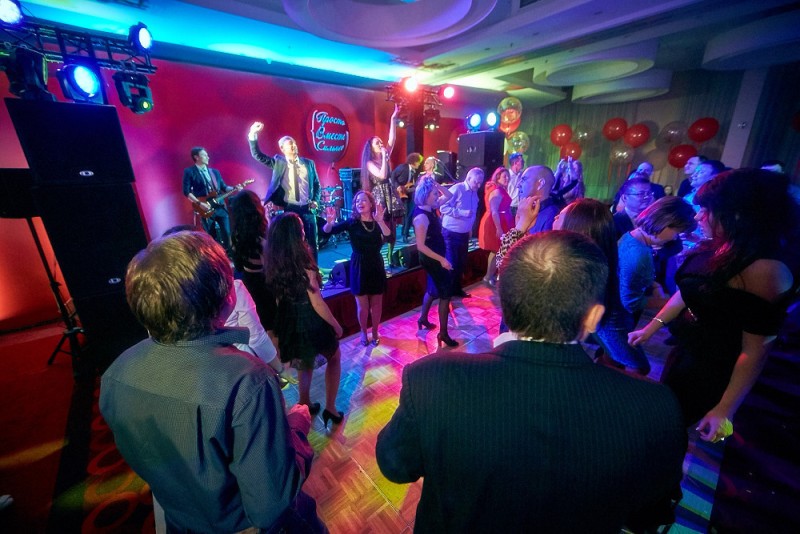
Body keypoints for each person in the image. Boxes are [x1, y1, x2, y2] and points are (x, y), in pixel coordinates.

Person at [376, 231, 686, 533]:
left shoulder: (431, 379)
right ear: (593, 317)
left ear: (505, 300)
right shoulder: (655, 406)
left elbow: (395, 466)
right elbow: (647, 515)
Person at [99, 231, 323, 532]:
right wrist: (297, 427)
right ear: (225, 298)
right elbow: (270, 506)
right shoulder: (248, 381)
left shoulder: (115, 373)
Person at [630, 169, 799, 442]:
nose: (698, 216)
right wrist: (652, 327)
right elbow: (687, 293)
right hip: (688, 350)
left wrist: (725, 409)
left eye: (707, 210)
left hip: (713, 368)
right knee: (665, 417)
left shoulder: (766, 270)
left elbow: (755, 351)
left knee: (670, 427)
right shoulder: (725, 244)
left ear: (738, 215)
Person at [265, 212, 345, 428]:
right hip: (310, 320)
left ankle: (304, 403)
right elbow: (317, 303)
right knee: (335, 357)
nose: (304, 232)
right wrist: (336, 326)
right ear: (294, 236)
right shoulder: (304, 265)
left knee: (304, 363)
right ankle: (331, 408)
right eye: (300, 229)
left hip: (290, 320)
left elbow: (279, 300)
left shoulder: (274, 264)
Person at [553, 200, 652, 374]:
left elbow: (639, 366)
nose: (555, 217)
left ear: (574, 226)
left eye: (560, 216)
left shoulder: (596, 284)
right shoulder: (575, 261)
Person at [322, 191, 391, 346]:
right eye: (357, 201)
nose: (360, 203)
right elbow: (328, 231)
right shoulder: (352, 222)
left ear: (371, 204)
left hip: (376, 264)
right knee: (362, 306)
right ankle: (363, 332)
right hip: (359, 266)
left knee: (376, 304)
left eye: (363, 200)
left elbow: (388, 235)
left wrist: (380, 221)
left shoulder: (377, 220)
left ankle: (375, 332)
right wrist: (329, 222)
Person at [247, 121, 321, 261]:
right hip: (290, 208)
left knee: (312, 243)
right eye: (290, 145)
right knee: (293, 244)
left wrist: (315, 201)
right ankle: (297, 270)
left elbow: (317, 184)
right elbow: (257, 155)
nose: (293, 146)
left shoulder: (308, 163)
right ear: (282, 148)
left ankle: (314, 269)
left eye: (294, 144)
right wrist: (253, 134)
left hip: (308, 209)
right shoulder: (278, 163)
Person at [618, 196, 697, 325]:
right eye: (677, 232)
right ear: (664, 223)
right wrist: (674, 304)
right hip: (620, 320)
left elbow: (631, 278)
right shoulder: (639, 255)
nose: (675, 238)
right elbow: (630, 303)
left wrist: (655, 285)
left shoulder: (632, 236)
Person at [412, 176, 457, 347]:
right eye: (434, 193)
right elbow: (421, 246)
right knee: (445, 293)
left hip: (436, 255)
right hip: (432, 258)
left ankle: (423, 318)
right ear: (425, 195)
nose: (438, 196)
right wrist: (442, 260)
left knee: (433, 289)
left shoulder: (430, 207)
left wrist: (436, 185)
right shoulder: (421, 217)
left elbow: (449, 195)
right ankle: (443, 333)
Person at [229, 191, 278, 341]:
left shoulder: (236, 236)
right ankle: (278, 354)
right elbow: (270, 266)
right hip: (265, 283)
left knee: (262, 326)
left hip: (248, 282)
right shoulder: (262, 237)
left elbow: (238, 266)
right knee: (273, 326)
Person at [360, 105, 402, 266]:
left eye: (380, 141)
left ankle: (390, 256)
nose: (381, 143)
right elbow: (383, 175)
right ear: (371, 147)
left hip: (390, 193)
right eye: (377, 142)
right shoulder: (370, 163)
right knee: (381, 225)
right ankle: (377, 255)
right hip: (379, 196)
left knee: (392, 226)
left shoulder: (384, 155)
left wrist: (393, 119)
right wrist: (385, 157)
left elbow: (392, 139)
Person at [439, 167, 484, 298]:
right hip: (451, 233)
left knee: (461, 263)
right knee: (451, 263)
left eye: (480, 182)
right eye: (476, 182)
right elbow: (443, 207)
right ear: (468, 178)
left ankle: (456, 290)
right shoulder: (457, 189)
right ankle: (446, 294)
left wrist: (469, 229)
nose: (478, 185)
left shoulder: (474, 192)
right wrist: (461, 213)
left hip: (464, 233)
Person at [182, 146, 234, 252]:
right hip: (205, 207)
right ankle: (216, 256)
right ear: (196, 157)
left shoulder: (214, 172)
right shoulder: (189, 171)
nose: (207, 157)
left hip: (220, 206)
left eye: (207, 155)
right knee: (211, 237)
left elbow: (224, 187)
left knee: (227, 234)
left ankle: (230, 256)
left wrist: (234, 188)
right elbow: (186, 192)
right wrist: (200, 203)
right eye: (204, 155)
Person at [478, 167, 513, 286]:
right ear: (497, 178)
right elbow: (494, 211)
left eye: (508, 176)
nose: (507, 178)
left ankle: (492, 276)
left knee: (499, 250)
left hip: (502, 221)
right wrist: (499, 228)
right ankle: (488, 276)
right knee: (496, 250)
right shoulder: (496, 191)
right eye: (504, 176)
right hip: (496, 223)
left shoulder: (500, 189)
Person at [391, 152, 423, 242]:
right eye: (418, 162)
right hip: (400, 193)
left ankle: (405, 232)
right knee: (407, 214)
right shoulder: (403, 167)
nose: (419, 164)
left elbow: (411, 184)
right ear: (414, 161)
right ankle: (404, 234)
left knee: (409, 214)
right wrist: (397, 186)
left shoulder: (415, 171)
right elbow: (392, 176)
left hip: (409, 193)